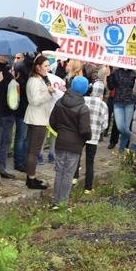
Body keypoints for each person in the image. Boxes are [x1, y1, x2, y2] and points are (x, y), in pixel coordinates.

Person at [49, 76, 92, 209]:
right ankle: (63, 202)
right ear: (84, 90)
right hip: (75, 145)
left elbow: (52, 122)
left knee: (59, 172)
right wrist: (85, 138)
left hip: (61, 141)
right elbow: (85, 131)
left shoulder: (60, 102)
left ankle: (55, 201)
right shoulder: (83, 108)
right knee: (68, 174)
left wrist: (61, 131)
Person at [24, 56, 55, 190]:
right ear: (38, 67)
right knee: (34, 151)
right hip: (37, 119)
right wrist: (48, 93)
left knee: (33, 149)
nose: (48, 68)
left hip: (40, 117)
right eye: (46, 66)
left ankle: (30, 177)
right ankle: (31, 179)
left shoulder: (41, 79)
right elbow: (34, 101)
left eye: (48, 66)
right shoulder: (34, 81)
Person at [82, 77, 109, 193]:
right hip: (93, 136)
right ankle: (88, 187)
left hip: (81, 134)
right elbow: (105, 124)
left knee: (76, 157)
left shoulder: (83, 100)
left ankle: (74, 178)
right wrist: (99, 129)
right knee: (90, 161)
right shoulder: (103, 105)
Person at [107, 66, 136, 152]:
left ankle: (121, 149)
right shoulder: (116, 72)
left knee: (126, 128)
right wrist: (109, 77)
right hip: (118, 102)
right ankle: (135, 139)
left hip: (130, 103)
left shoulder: (134, 74)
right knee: (120, 127)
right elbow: (111, 87)